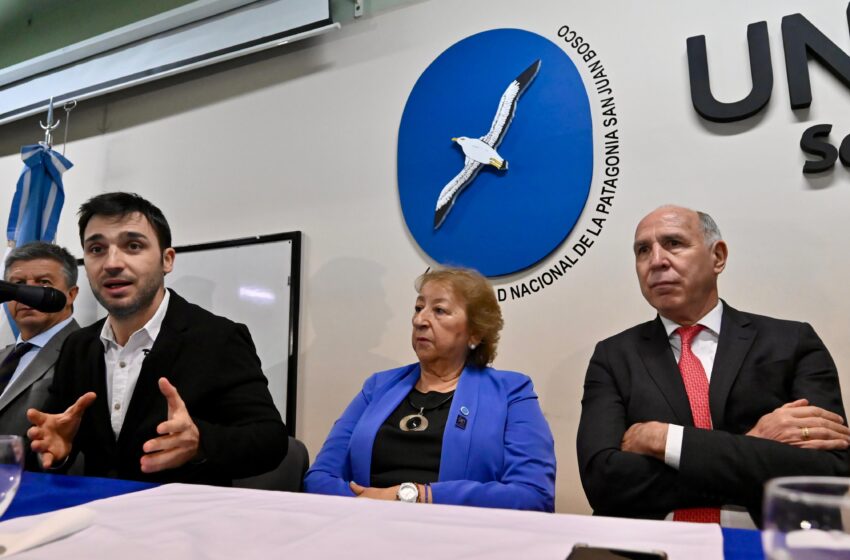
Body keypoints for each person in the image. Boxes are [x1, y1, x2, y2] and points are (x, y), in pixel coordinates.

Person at [577, 205, 850, 527]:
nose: (657, 260)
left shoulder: (791, 342)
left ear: (717, 256)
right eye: (643, 250)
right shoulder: (613, 356)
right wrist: (754, 442)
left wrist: (665, 440)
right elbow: (603, 482)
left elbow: (829, 470)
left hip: (768, 542)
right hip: (648, 546)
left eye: (674, 243)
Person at [27, 192, 287, 485]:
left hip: (184, 521)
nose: (112, 262)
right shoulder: (78, 346)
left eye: (133, 246)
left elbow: (270, 440)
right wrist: (59, 452)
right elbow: (56, 437)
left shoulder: (217, 338)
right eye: (97, 249)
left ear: (167, 259)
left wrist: (199, 441)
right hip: (98, 516)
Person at [304, 267, 556, 511]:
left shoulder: (511, 391)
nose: (419, 319)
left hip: (460, 541)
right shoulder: (378, 387)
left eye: (439, 310)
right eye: (418, 307)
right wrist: (363, 506)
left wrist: (414, 496)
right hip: (365, 531)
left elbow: (532, 494)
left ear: (475, 333)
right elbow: (320, 476)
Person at [0, 242, 79, 469]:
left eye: (43, 284)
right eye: (18, 285)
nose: (27, 295)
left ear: (71, 294)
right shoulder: (3, 356)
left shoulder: (89, 352)